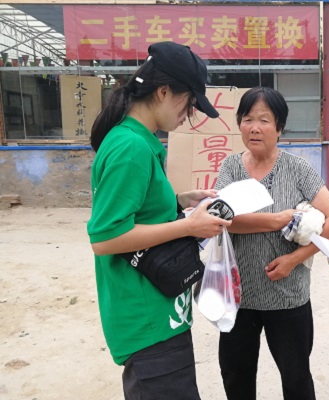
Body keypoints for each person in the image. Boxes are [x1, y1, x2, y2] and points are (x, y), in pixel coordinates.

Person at [86, 41, 232, 400]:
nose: (188, 115)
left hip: (161, 311)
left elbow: (136, 209)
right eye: (189, 103)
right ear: (164, 92)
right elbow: (105, 238)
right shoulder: (131, 147)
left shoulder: (139, 140)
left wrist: (180, 200)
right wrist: (189, 226)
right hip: (148, 322)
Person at [214, 87, 329, 400]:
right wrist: (276, 220)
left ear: (279, 128)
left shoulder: (297, 168)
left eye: (264, 120)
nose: (254, 128)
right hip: (239, 294)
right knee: (236, 376)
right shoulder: (230, 167)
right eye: (247, 119)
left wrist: (294, 259)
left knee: (296, 378)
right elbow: (221, 219)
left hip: (287, 296)